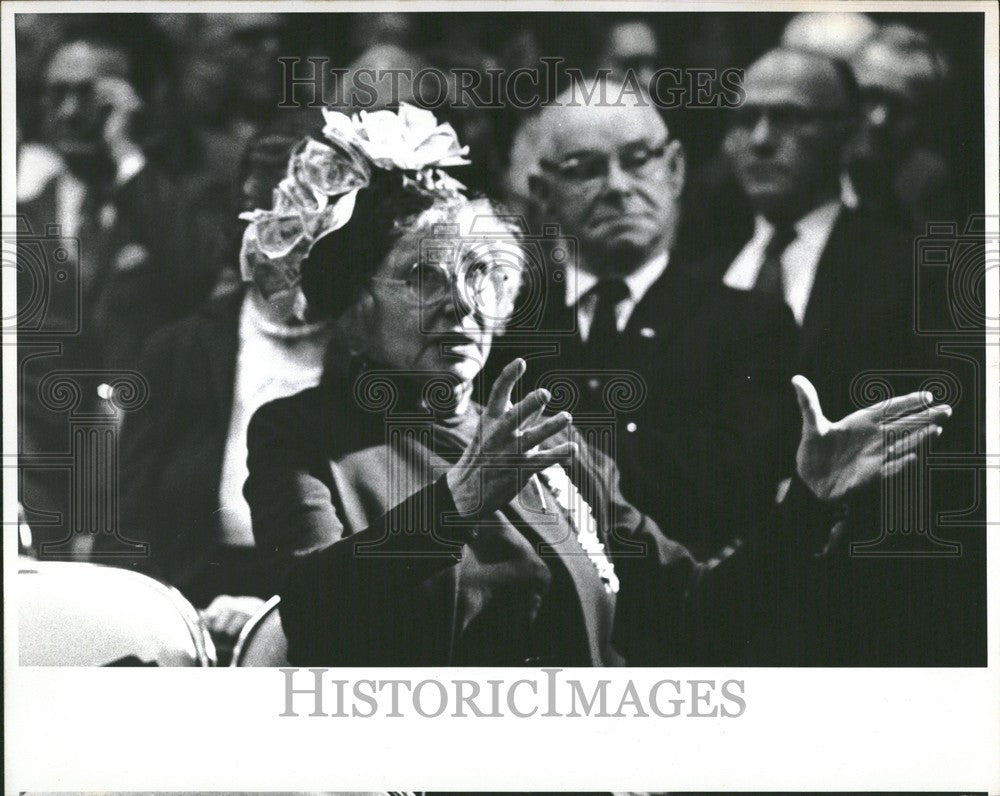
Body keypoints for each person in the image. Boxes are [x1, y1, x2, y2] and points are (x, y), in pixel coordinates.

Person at [243, 105, 950, 666]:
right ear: (353, 309)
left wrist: (807, 501)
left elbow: (693, 615)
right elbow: (315, 615)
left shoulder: (544, 440)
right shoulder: (302, 435)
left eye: (481, 273)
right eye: (424, 275)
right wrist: (457, 504)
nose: (461, 302)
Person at [711, 47, 973, 665]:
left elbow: (946, 461)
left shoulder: (912, 274)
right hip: (719, 609)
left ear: (847, 132)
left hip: (859, 619)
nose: (761, 140)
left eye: (791, 118)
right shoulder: (702, 266)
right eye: (744, 119)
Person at [500, 80, 800, 559]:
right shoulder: (503, 323)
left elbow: (735, 482)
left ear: (676, 169)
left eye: (638, 159)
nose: (618, 187)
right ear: (543, 192)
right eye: (585, 169)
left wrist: (553, 452)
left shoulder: (749, 324)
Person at [91, 127, 333, 659]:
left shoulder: (364, 359)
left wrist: (276, 615)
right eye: (272, 218)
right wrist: (172, 623)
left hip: (321, 616)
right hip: (185, 608)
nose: (293, 246)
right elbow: (126, 529)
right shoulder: (178, 352)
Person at [17, 24, 212, 557]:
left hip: (146, 477)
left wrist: (125, 152)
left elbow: (199, 272)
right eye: (56, 93)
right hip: (41, 480)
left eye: (92, 94)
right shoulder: (23, 216)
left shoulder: (173, 198)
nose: (70, 111)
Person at [847, 24, 956, 234]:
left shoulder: (928, 191)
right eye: (869, 97)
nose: (879, 120)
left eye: (900, 107)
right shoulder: (796, 177)